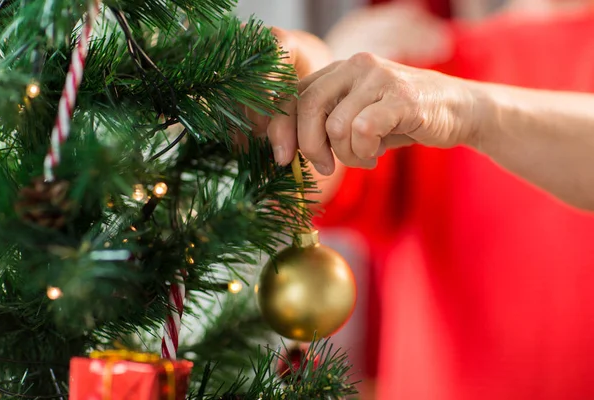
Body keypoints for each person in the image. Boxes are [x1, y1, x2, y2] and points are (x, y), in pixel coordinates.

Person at [249, 1, 594, 399]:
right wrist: (306, 79)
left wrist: (468, 109)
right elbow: (318, 178)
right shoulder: (429, 54)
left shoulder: (436, 85)